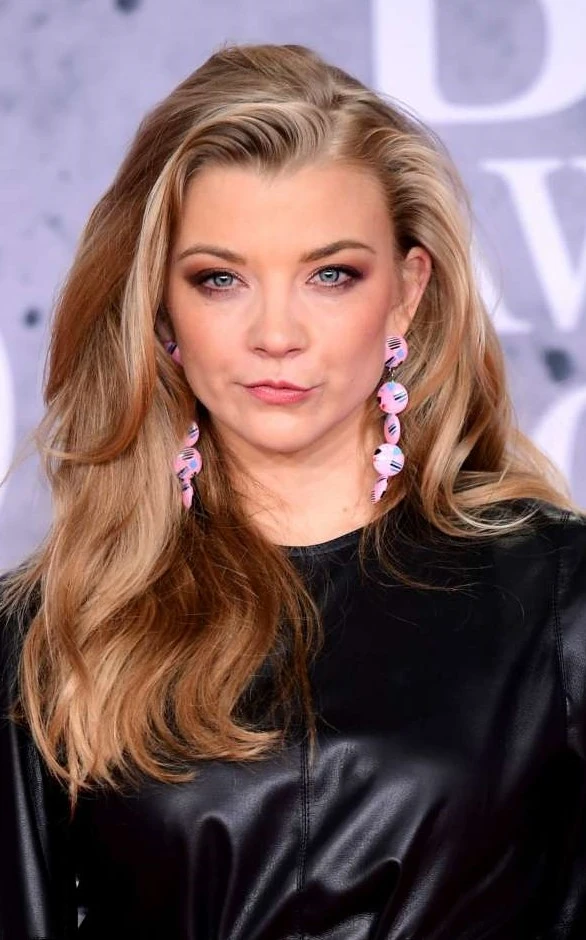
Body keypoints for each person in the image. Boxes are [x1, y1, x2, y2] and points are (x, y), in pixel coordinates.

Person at [1, 40, 585, 940]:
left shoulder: (560, 594)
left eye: (330, 275)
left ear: (406, 291)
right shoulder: (54, 633)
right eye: (221, 279)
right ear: (159, 303)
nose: (277, 333)